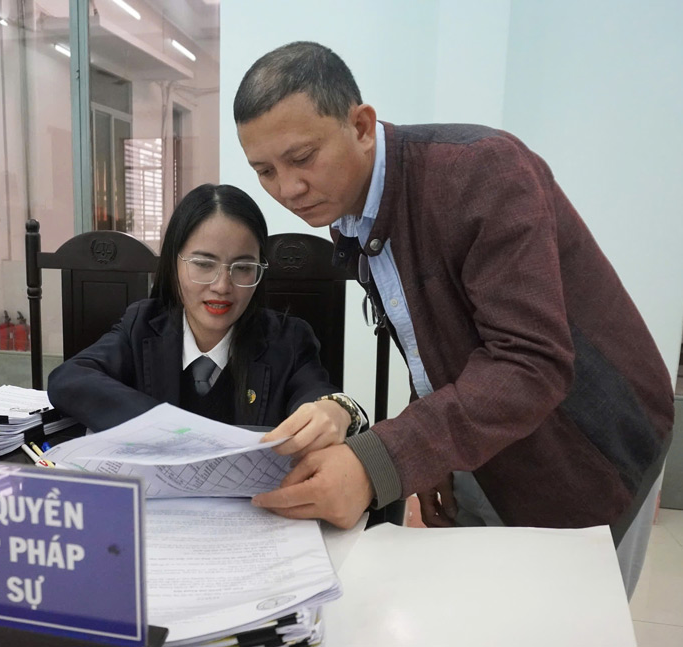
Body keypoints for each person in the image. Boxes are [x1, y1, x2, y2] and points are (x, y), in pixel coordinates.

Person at [233, 41, 673, 596]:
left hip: (593, 439)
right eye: (264, 171)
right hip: (499, 435)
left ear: (362, 126)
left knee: (572, 612)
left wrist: (379, 461)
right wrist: (426, 460)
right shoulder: (346, 207)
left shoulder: (483, 171)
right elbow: (433, 341)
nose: (287, 190)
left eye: (302, 158)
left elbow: (530, 362)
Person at [47, 183, 367, 452]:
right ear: (175, 264)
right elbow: (69, 379)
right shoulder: (143, 324)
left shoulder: (288, 339)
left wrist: (336, 409)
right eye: (203, 264)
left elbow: (316, 393)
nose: (222, 286)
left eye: (243, 267)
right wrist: (169, 428)